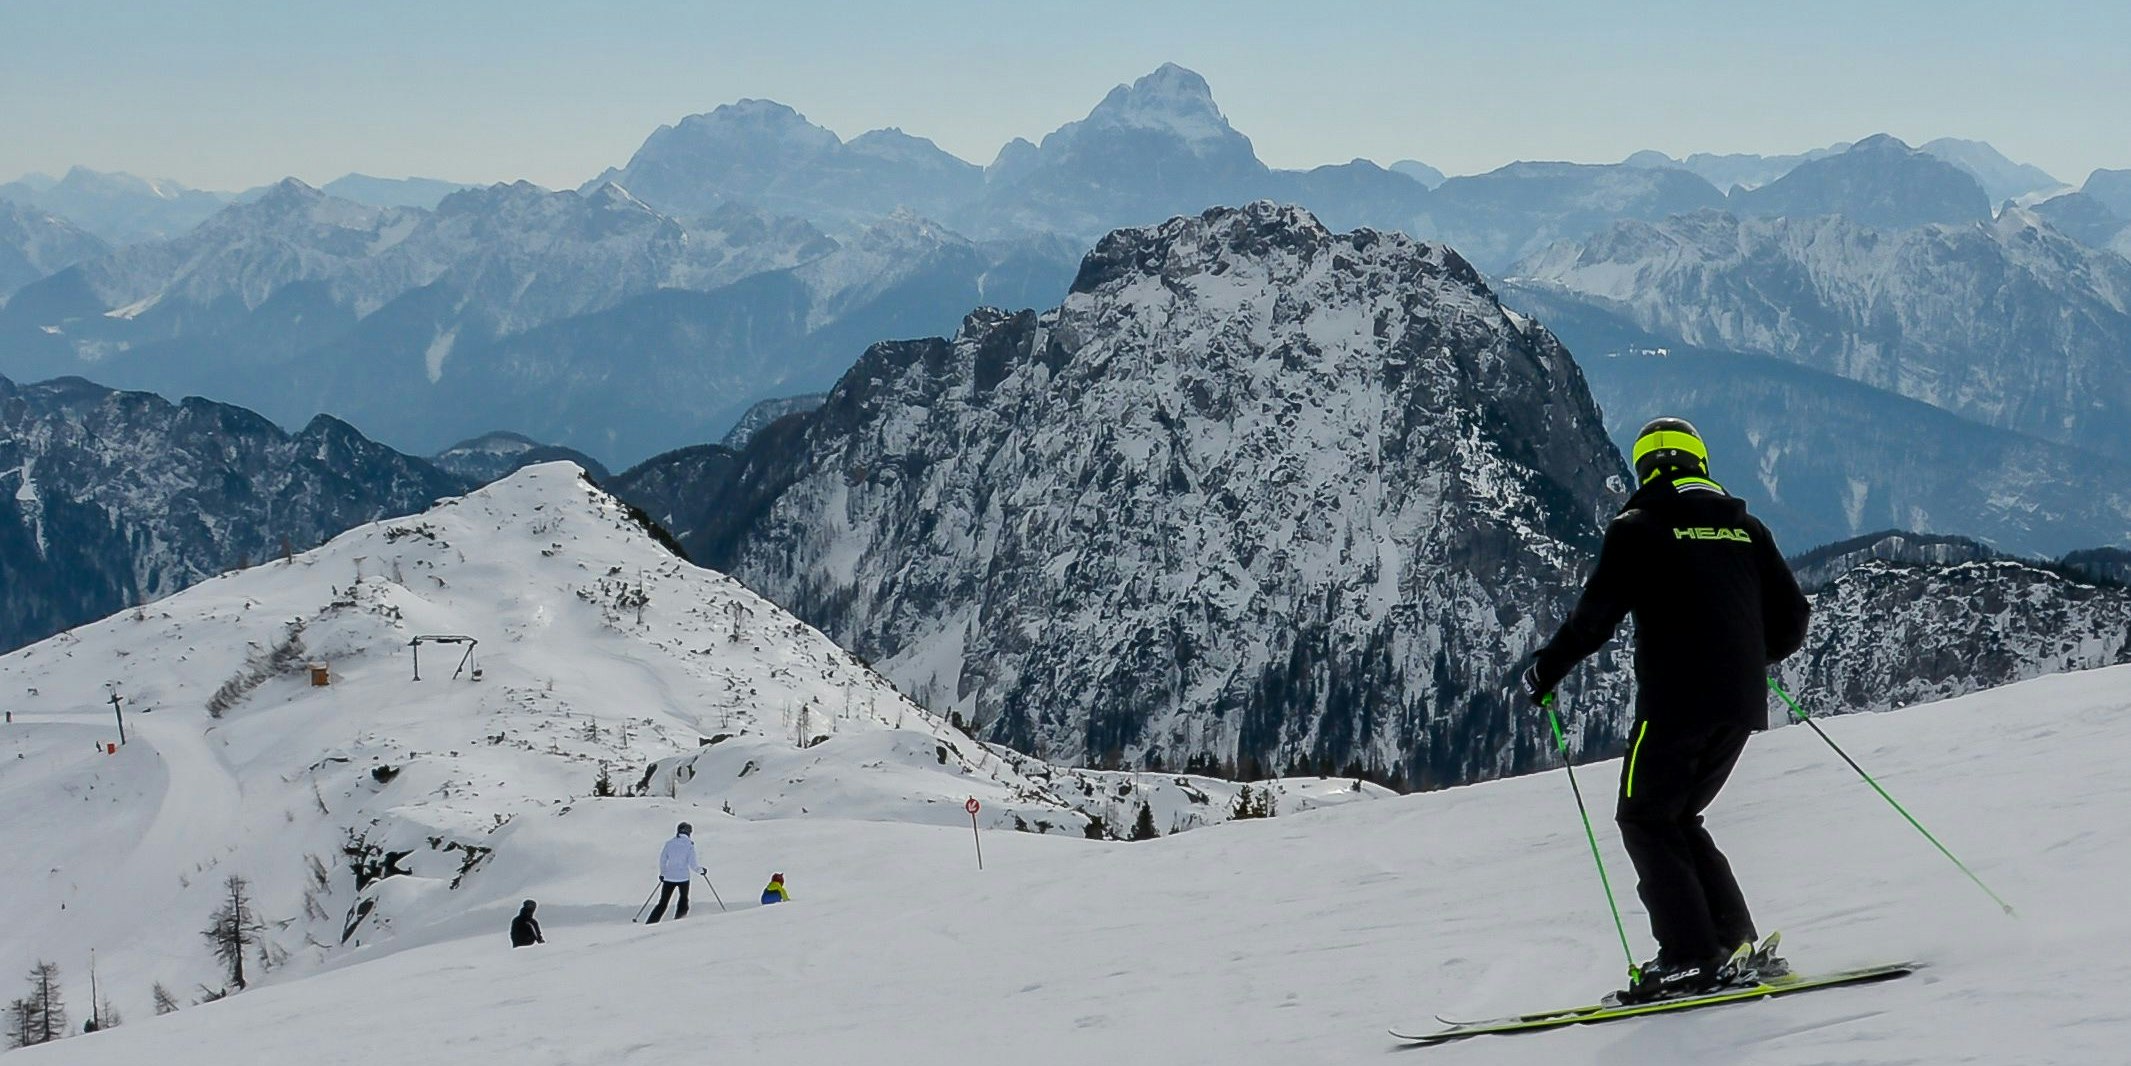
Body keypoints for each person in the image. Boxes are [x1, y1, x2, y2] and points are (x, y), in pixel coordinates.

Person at [1522, 417, 1809, 1004]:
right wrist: (1746, 655)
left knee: (1645, 819)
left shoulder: (1640, 528)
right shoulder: (1745, 528)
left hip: (1676, 701)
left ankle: (1688, 957)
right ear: (1700, 464)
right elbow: (1793, 619)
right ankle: (1732, 943)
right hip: (1741, 705)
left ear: (1645, 470)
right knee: (1678, 818)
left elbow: (1593, 619)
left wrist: (1545, 672)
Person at [646, 822, 701, 923]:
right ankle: (679, 920)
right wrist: (700, 870)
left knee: (663, 902)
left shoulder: (669, 843)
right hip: (683, 878)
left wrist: (663, 873)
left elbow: (663, 859)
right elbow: (692, 863)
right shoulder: (690, 845)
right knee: (683, 899)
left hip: (669, 877)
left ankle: (651, 922)